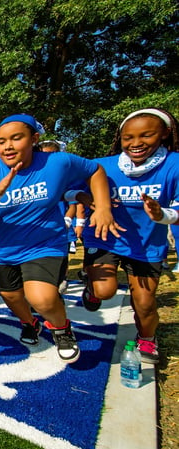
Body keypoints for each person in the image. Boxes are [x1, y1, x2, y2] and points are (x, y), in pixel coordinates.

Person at [0, 113, 120, 363]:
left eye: (16, 138)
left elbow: (95, 170)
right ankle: (30, 324)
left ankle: (61, 329)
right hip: (4, 251)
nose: (8, 146)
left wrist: (102, 207)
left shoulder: (57, 162)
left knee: (42, 298)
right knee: (11, 297)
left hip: (45, 244)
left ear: (34, 138)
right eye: (1, 141)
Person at [80, 108, 179, 364]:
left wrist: (162, 214)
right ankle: (91, 287)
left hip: (145, 243)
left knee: (144, 302)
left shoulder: (174, 164)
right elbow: (74, 192)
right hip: (103, 236)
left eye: (146, 135)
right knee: (105, 291)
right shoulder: (103, 165)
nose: (135, 143)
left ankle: (147, 338)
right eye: (128, 138)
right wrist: (91, 201)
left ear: (165, 134)